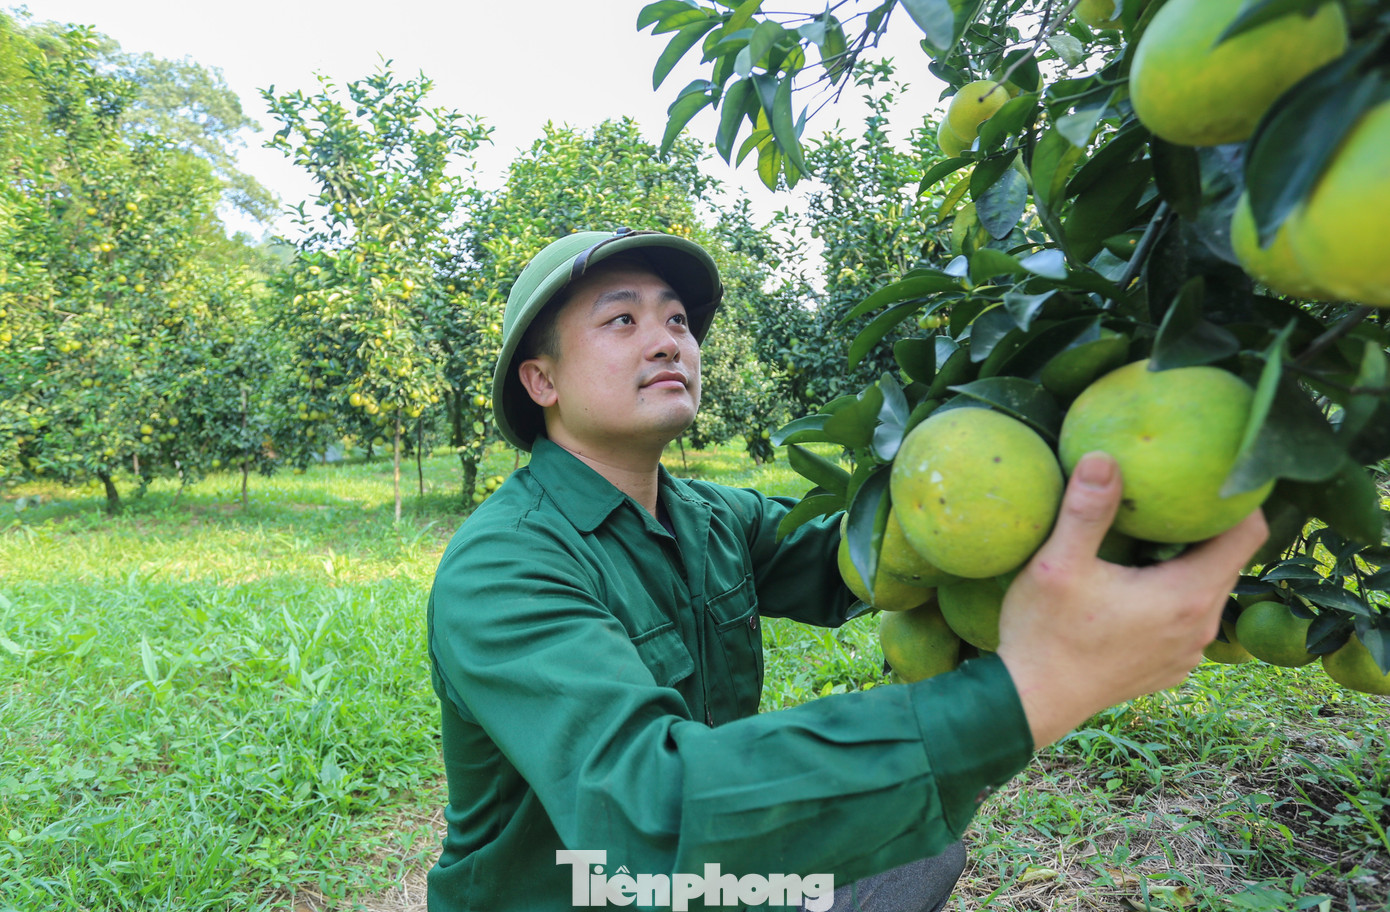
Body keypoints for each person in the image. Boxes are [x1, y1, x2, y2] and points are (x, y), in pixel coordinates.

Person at [425, 228, 1267, 911]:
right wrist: (1036, 691)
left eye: (678, 319)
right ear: (542, 380)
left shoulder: (713, 517)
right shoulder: (504, 567)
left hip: (702, 883)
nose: (667, 340)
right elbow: (647, 813)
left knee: (919, 847)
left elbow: (863, 561)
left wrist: (1021, 467)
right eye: (622, 321)